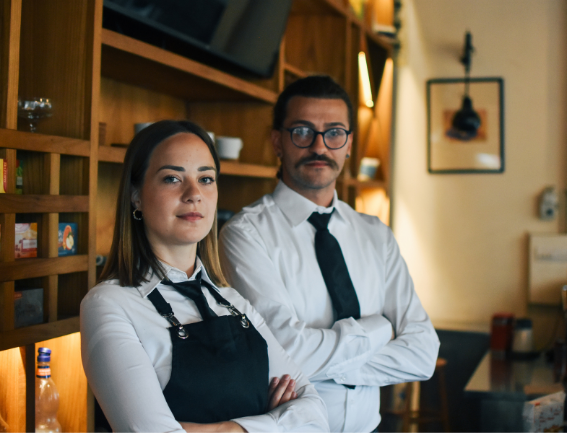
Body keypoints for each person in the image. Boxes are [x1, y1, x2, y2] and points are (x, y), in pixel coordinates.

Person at [218, 76, 440, 432]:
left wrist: (319, 366)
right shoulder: (245, 235)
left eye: (334, 132)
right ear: (277, 141)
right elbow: (288, 353)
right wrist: (381, 329)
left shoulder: (376, 235)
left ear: (349, 143)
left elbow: (423, 355)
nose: (319, 146)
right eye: (302, 131)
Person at [80, 120, 329, 433]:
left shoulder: (234, 301)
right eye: (172, 178)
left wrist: (225, 429)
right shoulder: (109, 304)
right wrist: (273, 422)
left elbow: (316, 416)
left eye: (206, 178)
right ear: (136, 196)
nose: (194, 193)